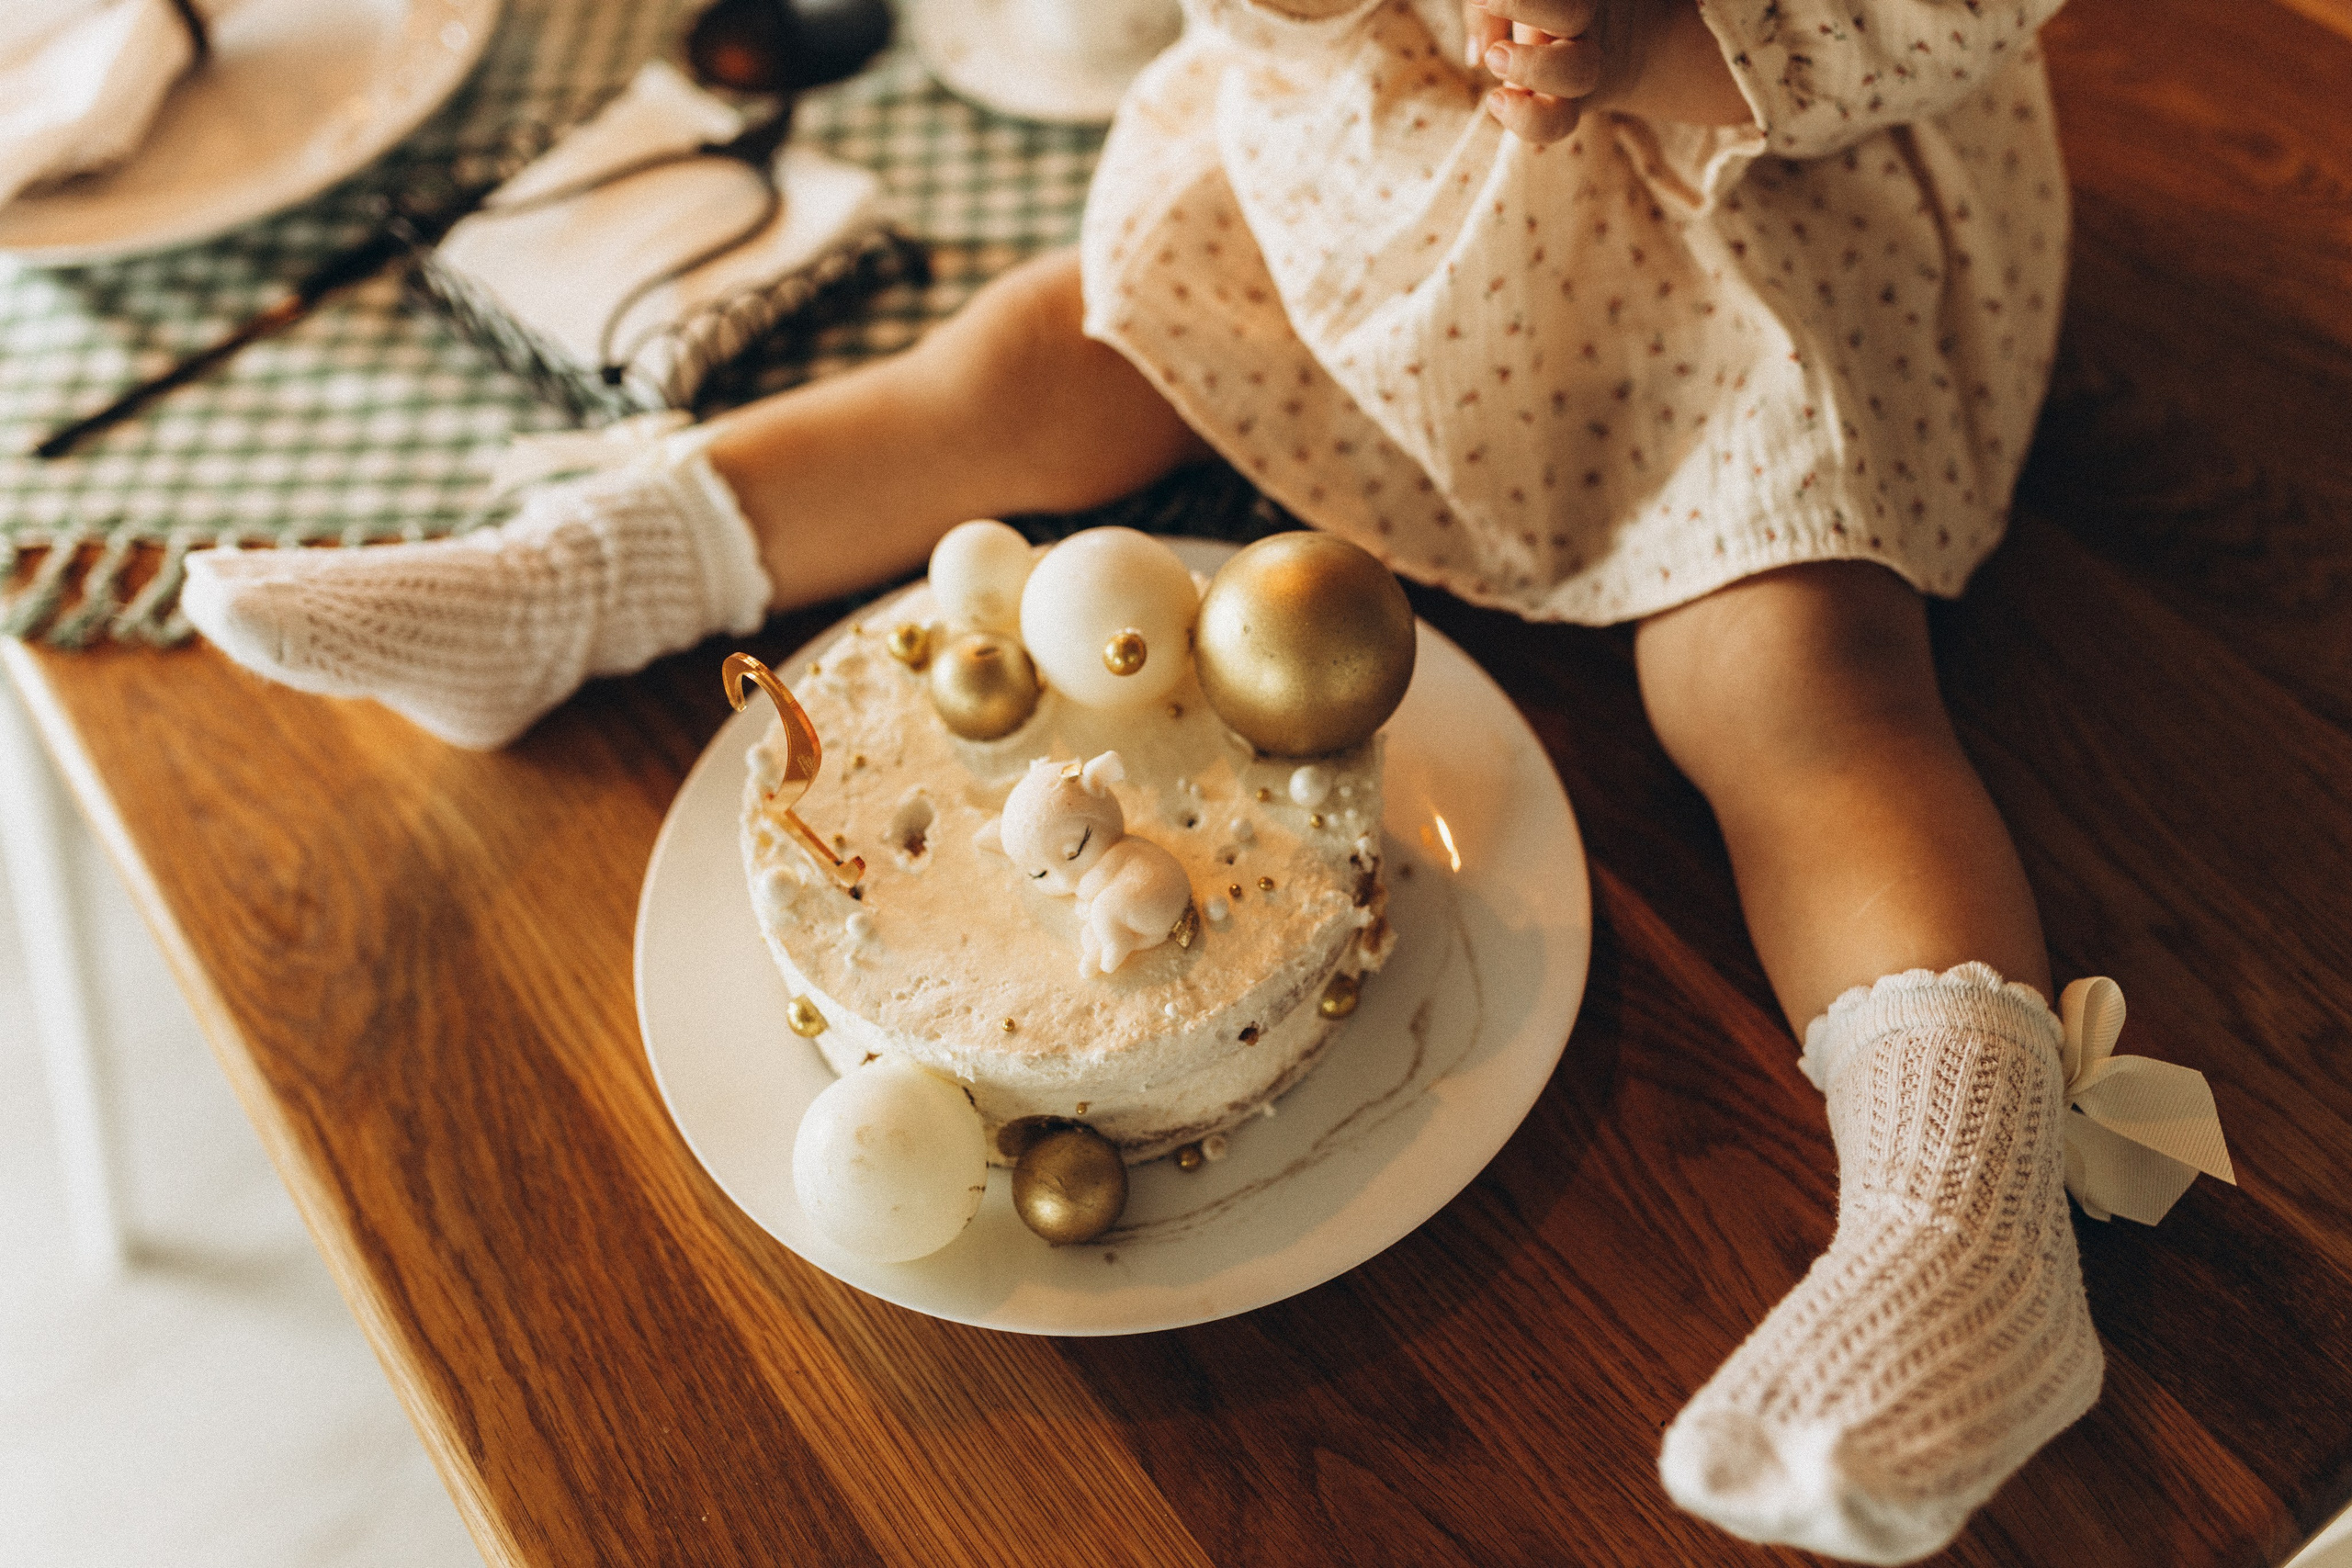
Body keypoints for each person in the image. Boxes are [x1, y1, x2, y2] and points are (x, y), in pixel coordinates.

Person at [181, 1, 2095, 1559]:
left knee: (1801, 684)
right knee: (1024, 362)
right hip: (1385, 184)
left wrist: (1655, 37)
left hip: (1749, 236)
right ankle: (574, 585)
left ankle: (1961, 1212)